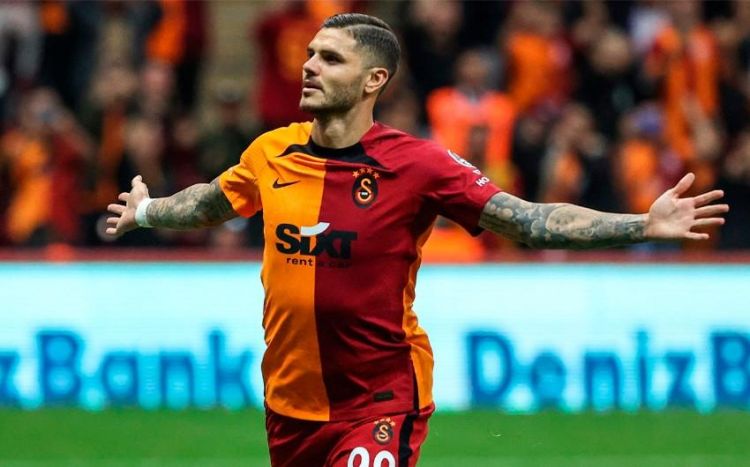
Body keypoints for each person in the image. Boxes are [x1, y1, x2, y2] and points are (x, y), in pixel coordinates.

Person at [105, 13, 728, 467]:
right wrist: (150, 210)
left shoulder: (418, 165)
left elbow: (528, 219)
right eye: (311, 54)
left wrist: (641, 225)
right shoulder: (272, 152)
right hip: (290, 406)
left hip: (380, 402)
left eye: (331, 59)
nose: (310, 66)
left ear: (373, 79)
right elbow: (209, 203)